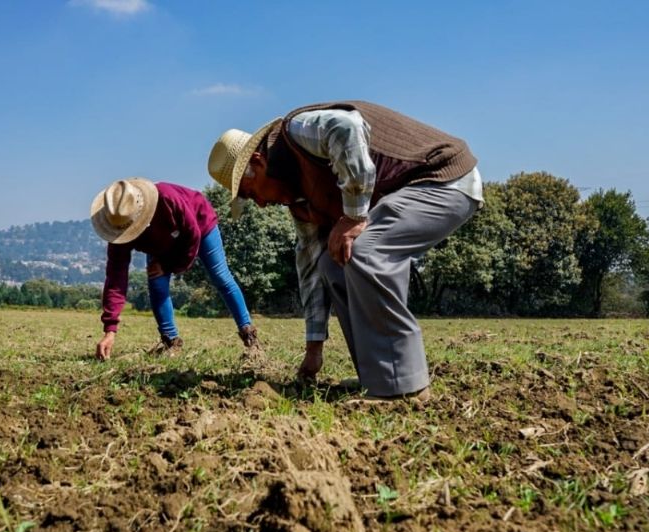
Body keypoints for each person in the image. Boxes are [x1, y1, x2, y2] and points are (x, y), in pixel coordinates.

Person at [207, 101, 483, 400]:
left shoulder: (297, 131)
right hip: (412, 192)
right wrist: (314, 349)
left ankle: (405, 388)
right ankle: (378, 378)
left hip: (443, 180)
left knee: (364, 251)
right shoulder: (301, 205)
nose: (259, 204)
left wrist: (353, 215)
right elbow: (311, 268)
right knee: (332, 262)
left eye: (251, 194)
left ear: (259, 163)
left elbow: (346, 126)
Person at [90, 177, 258, 359]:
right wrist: (110, 330)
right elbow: (115, 279)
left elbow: (192, 236)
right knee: (157, 284)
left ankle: (249, 334)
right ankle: (171, 342)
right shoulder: (119, 225)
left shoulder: (167, 198)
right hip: (160, 241)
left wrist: (169, 265)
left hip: (199, 226)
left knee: (220, 276)